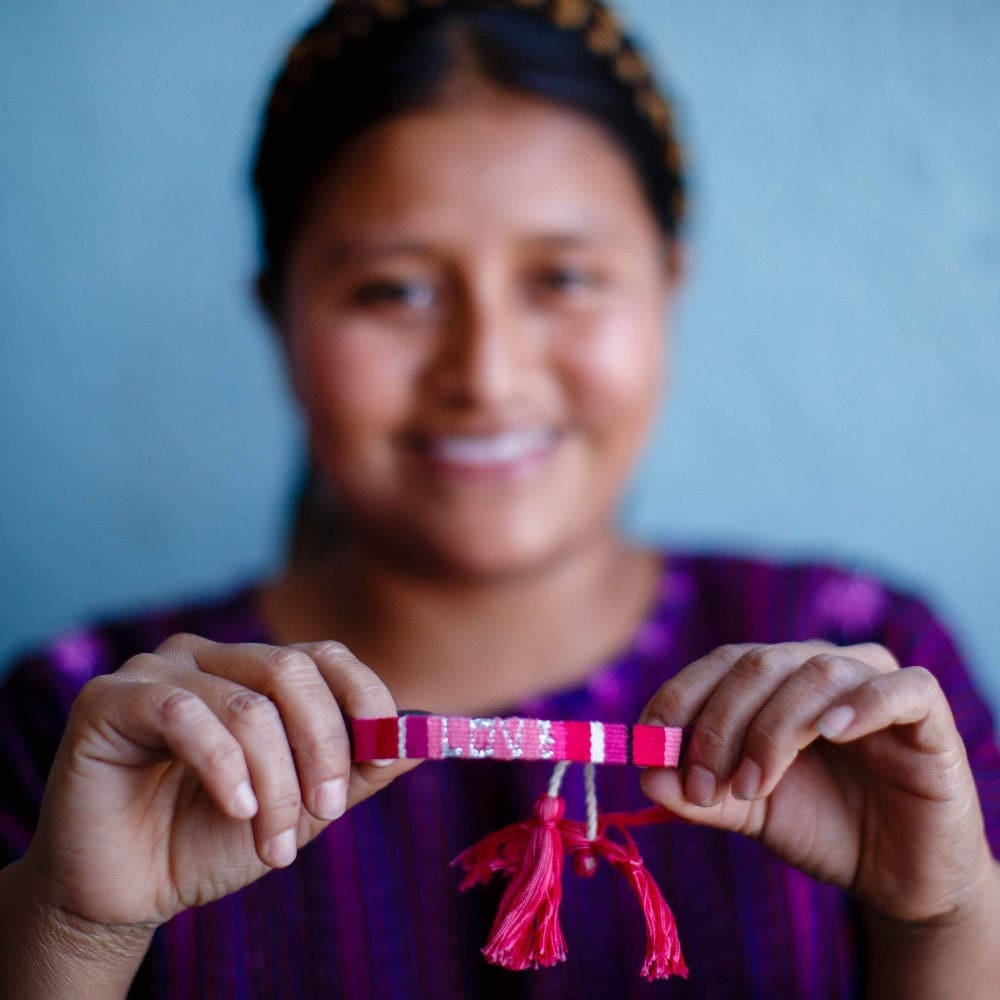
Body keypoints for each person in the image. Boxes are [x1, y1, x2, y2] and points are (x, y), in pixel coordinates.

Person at [1, 1, 998, 996]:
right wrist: (71, 930)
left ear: (668, 285)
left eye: (564, 277)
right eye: (394, 291)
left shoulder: (866, 691)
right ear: (278, 314)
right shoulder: (92, 735)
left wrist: (945, 917)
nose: (486, 373)